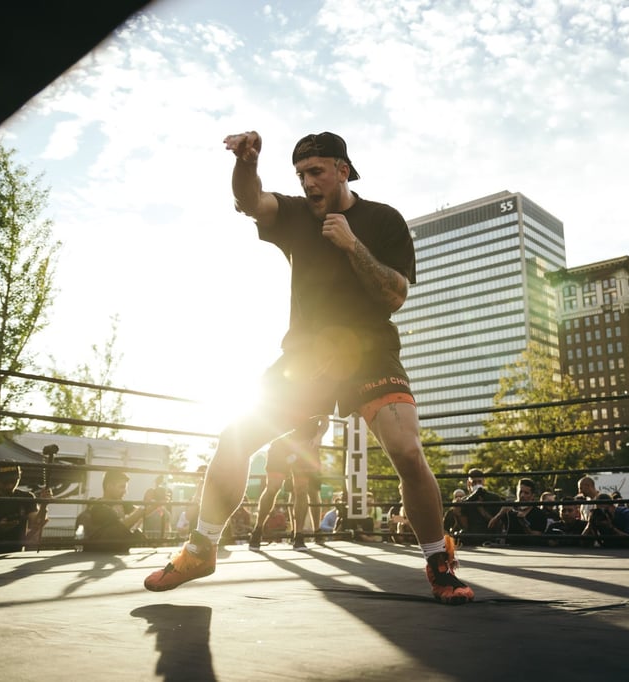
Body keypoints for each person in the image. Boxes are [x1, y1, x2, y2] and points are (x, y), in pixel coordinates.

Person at [144, 131, 473, 605]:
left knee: (405, 449)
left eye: (316, 171)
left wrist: (352, 245)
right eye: (301, 173)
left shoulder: (383, 219)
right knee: (234, 439)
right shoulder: (297, 214)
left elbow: (394, 296)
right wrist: (246, 162)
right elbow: (250, 200)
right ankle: (201, 549)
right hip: (306, 358)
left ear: (343, 169)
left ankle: (439, 564)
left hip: (369, 350)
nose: (308, 182)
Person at [249, 417, 328, 552]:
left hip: (305, 446)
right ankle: (258, 530)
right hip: (281, 444)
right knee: (273, 488)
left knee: (301, 490)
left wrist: (319, 436)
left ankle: (298, 536)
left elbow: (325, 419)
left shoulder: (319, 396)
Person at [80, 471, 167, 553]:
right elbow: (120, 527)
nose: (125, 491)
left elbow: (140, 512)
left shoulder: (121, 503)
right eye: (122, 487)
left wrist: (156, 503)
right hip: (99, 555)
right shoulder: (98, 507)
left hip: (114, 553)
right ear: (109, 486)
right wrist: (144, 504)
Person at [488, 478, 547, 546]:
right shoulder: (509, 508)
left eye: (526, 493)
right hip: (509, 548)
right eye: (520, 492)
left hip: (529, 550)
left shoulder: (539, 514)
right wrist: (500, 514)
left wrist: (524, 524)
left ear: (532, 496)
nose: (522, 495)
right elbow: (490, 527)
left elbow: (536, 538)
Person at [457, 468, 504, 546]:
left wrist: (481, 510)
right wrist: (457, 513)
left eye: (479, 482)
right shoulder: (465, 501)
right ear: (469, 483)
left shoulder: (494, 498)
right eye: (474, 482)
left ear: (484, 481)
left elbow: (499, 524)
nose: (477, 485)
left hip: (490, 540)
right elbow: (464, 527)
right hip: (471, 542)